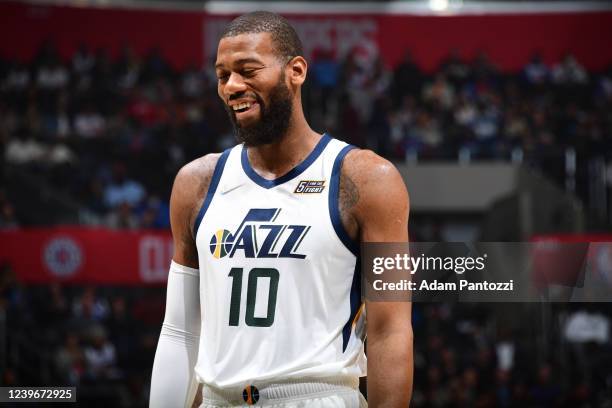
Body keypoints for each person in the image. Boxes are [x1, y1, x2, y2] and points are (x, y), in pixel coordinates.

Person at [150, 11, 413, 408]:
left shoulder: (367, 179)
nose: (232, 86)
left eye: (248, 70)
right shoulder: (196, 183)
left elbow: (389, 332)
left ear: (297, 71)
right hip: (219, 399)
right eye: (222, 75)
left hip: (319, 395)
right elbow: (180, 331)